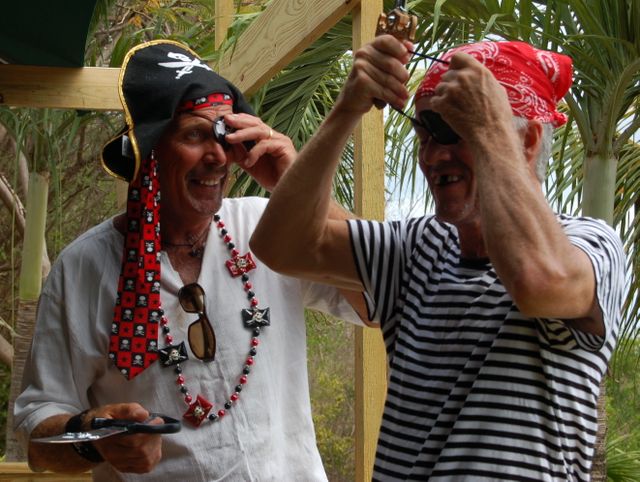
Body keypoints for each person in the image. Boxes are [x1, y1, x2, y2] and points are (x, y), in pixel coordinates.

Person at [250, 35, 627, 480]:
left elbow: (537, 280)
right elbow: (280, 246)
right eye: (425, 134)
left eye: (455, 131)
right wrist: (347, 108)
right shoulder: (417, 248)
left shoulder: (590, 243)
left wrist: (488, 128)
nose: (432, 156)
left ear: (527, 142)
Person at [14, 39, 365, 481]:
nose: (218, 156)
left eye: (224, 135)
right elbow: (37, 434)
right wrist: (96, 438)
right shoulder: (83, 268)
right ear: (148, 150)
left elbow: (376, 294)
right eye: (195, 134)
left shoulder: (267, 227)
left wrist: (297, 187)